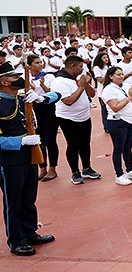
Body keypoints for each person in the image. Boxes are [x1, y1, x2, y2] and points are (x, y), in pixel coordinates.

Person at [0, 62, 60, 256]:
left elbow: (57, 95)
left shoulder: (21, 96)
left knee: (28, 196)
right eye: (14, 77)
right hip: (10, 159)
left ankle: (29, 231)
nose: (19, 79)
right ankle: (16, 240)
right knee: (13, 199)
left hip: (30, 153)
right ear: (4, 82)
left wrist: (41, 97)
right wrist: (20, 142)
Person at [50, 55, 102, 185]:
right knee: (73, 145)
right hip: (68, 118)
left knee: (85, 143)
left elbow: (92, 94)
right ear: (72, 66)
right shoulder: (59, 81)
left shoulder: (77, 79)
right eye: (80, 66)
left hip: (84, 116)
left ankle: (86, 168)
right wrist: (81, 87)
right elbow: (68, 101)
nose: (82, 69)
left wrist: (87, 83)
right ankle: (75, 172)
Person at [101, 66, 132, 186]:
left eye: (122, 74)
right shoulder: (108, 90)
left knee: (128, 147)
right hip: (117, 122)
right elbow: (115, 107)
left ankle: (130, 170)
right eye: (118, 74)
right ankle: (119, 174)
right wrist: (130, 97)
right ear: (111, 76)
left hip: (130, 120)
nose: (121, 76)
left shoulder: (126, 86)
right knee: (118, 148)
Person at [27, 54, 59, 182]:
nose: (40, 64)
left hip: (48, 107)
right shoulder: (26, 77)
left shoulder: (49, 76)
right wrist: (30, 88)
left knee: (50, 139)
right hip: (34, 109)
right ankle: (42, 167)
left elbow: (52, 93)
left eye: (41, 62)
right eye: (36, 62)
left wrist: (43, 86)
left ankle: (52, 168)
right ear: (29, 66)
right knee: (38, 139)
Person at [92, 52, 111, 133]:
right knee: (104, 110)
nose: (106, 59)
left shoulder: (107, 67)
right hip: (102, 92)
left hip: (110, 90)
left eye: (107, 57)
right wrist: (109, 73)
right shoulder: (97, 68)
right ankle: (106, 127)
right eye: (104, 58)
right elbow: (100, 80)